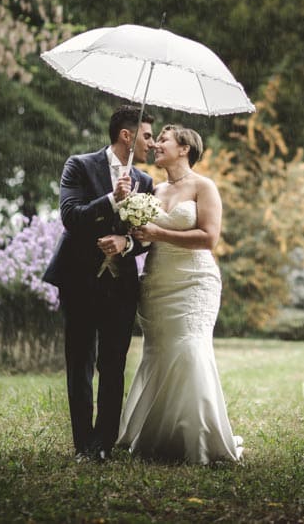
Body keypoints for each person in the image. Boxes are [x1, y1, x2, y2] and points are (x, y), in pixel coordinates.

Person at [117, 125, 243, 464]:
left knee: (189, 349)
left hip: (194, 282)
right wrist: (125, 206)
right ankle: (158, 436)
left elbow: (208, 238)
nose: (156, 144)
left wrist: (157, 231)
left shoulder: (205, 187)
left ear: (184, 148)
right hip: (157, 282)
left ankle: (198, 437)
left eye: (163, 140)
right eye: (156, 140)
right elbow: (142, 240)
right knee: (159, 355)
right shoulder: (152, 190)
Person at [42, 105, 155, 462]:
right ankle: (82, 445)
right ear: (127, 135)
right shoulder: (78, 165)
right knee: (79, 364)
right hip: (78, 281)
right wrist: (110, 200)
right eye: (147, 136)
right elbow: (70, 217)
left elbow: (147, 237)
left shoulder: (146, 181)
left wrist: (128, 243)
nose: (151, 144)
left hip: (120, 287)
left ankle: (103, 444)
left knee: (113, 364)